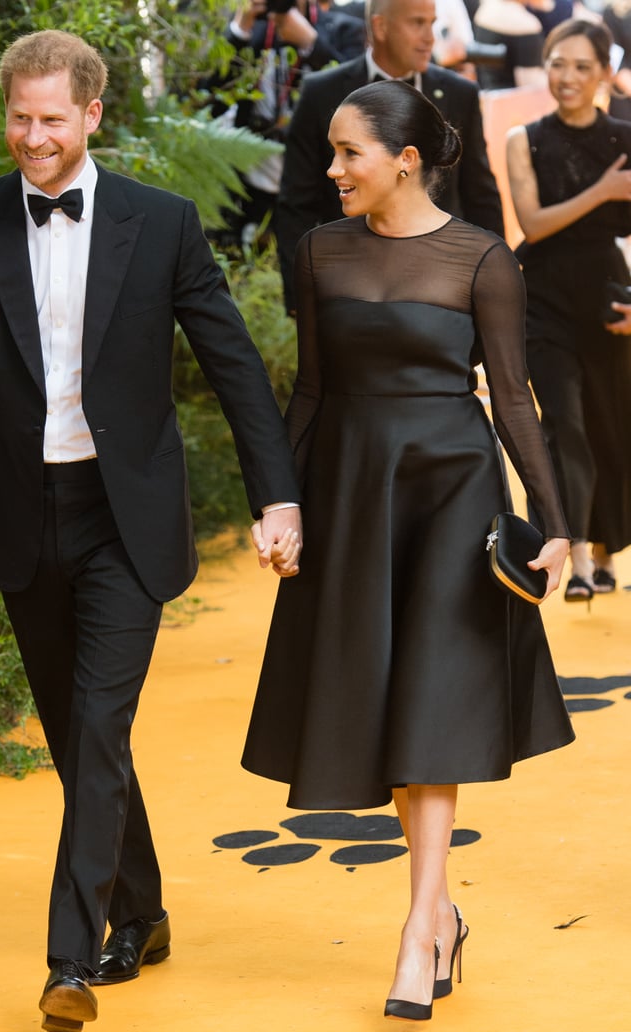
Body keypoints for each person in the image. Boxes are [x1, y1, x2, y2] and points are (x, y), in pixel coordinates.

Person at [0, 29, 302, 1032]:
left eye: (49, 119)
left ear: (91, 114)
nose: (31, 138)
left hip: (127, 513)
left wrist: (277, 495)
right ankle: (147, 911)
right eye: (18, 118)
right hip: (14, 512)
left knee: (101, 722)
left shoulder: (160, 224)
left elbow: (235, 365)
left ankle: (70, 957)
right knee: (82, 736)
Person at [243, 79, 575, 1021]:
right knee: (392, 703)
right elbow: (309, 393)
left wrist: (554, 523)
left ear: (406, 159)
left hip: (452, 496)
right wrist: (284, 502)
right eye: (332, 152)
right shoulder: (318, 250)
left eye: (349, 153)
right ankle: (440, 912)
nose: (332, 168)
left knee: (433, 700)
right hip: (353, 494)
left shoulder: (482, 260)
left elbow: (513, 400)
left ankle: (419, 925)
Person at [272, 0, 505, 314]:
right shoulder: (321, 93)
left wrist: (498, 275)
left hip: (443, 289)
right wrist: (302, 297)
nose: (430, 37)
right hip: (349, 290)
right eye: (417, 23)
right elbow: (295, 205)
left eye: (432, 23)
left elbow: (481, 195)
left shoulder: (459, 93)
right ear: (381, 27)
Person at [506, 18, 631, 600]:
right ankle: (575, 555)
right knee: (564, 426)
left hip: (611, 296)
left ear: (606, 73)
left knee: (610, 427)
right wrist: (603, 192)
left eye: (584, 66)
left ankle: (606, 552)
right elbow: (533, 224)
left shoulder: (625, 138)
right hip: (544, 299)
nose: (568, 77)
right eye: (558, 63)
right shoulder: (522, 138)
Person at [206, 0, 364, 247]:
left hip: (319, 179)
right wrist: (240, 28)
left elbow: (361, 100)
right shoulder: (250, 31)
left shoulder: (343, 29)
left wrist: (312, 44)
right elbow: (209, 99)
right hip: (253, 176)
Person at [472, 0, 547, 91]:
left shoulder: (485, 10)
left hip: (485, 93)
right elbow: (530, 82)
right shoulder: (525, 24)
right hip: (512, 99)